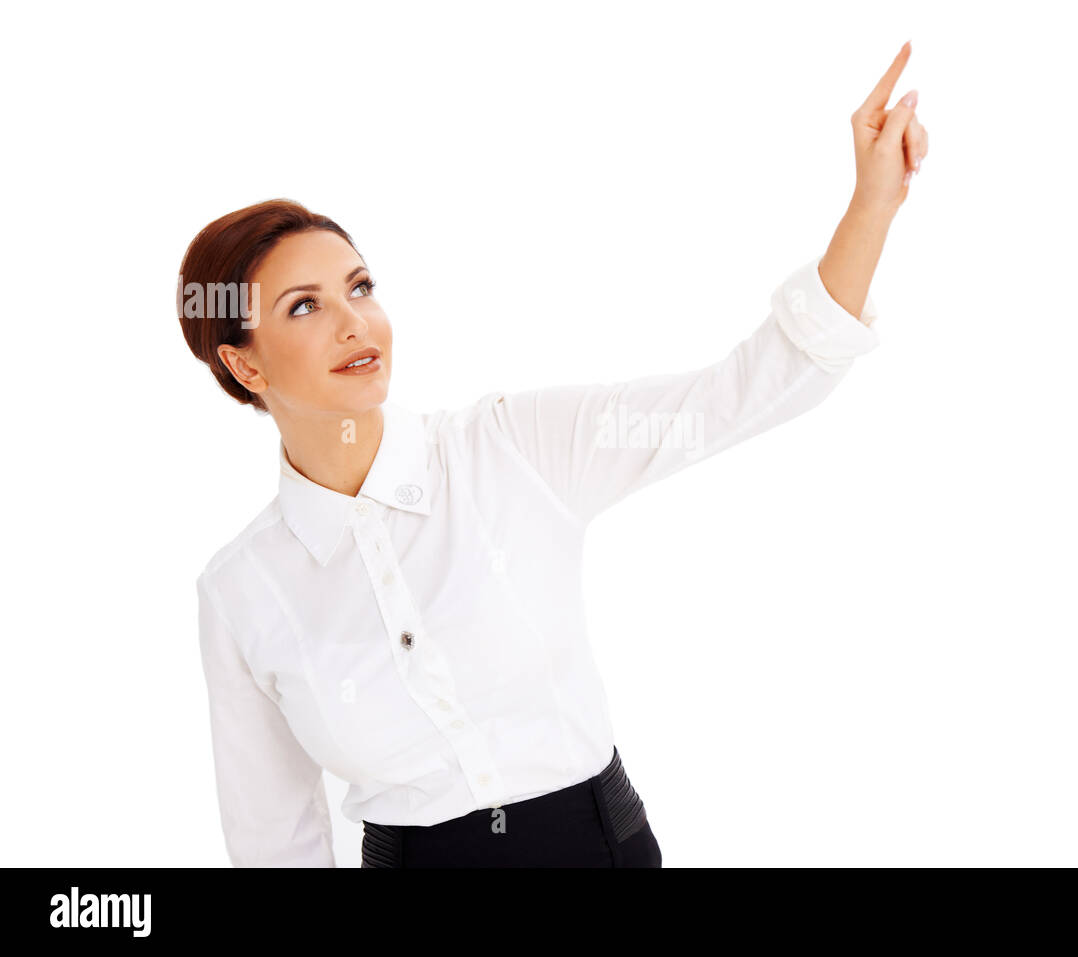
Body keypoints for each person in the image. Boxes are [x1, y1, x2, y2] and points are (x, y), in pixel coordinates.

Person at [177, 42, 928, 867]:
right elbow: (273, 840)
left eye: (360, 287)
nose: (356, 322)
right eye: (305, 306)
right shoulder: (243, 590)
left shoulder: (511, 448)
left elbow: (740, 394)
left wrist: (873, 204)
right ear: (244, 364)